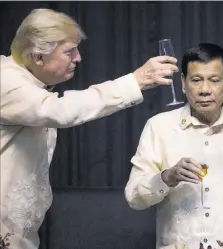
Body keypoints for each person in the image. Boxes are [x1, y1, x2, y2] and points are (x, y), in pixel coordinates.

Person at [0, 8, 178, 249]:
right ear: (38, 57)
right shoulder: (6, 81)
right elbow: (59, 111)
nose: (78, 58)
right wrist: (134, 82)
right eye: (69, 51)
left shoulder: (27, 81)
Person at [125, 43, 223, 249]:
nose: (205, 90)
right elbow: (134, 197)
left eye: (214, 80)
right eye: (196, 80)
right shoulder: (159, 127)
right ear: (183, 83)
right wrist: (167, 177)